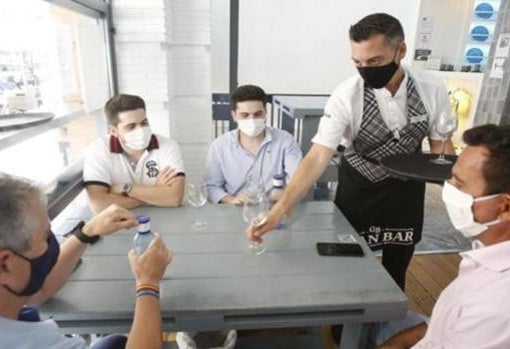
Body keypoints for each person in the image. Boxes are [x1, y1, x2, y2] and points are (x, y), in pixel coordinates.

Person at [248, 13, 455, 290]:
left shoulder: (431, 89)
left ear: (400, 50)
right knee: (349, 261)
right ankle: (342, 325)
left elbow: (442, 147)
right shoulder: (346, 95)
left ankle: (387, 321)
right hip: (360, 186)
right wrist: (280, 209)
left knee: (398, 264)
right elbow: (318, 156)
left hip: (406, 189)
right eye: (357, 62)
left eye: (375, 61)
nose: (365, 69)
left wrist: (462, 197)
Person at [0, 175, 172, 349]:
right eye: (45, 236)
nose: (53, 242)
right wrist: (148, 283)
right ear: (5, 265)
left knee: (115, 342)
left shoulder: (9, 298)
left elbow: (39, 293)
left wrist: (86, 232)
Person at [377, 124, 510, 348]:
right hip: (438, 333)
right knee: (374, 320)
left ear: (505, 207)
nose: (448, 190)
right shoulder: (488, 247)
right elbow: (442, 327)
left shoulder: (496, 307)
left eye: (459, 185)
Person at [83, 94, 185, 213]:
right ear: (113, 131)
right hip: (118, 223)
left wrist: (125, 189)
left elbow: (174, 197)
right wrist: (155, 192)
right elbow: (98, 204)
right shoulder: (99, 149)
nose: (140, 130)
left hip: (164, 217)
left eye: (144, 123)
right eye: (131, 126)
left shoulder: (168, 146)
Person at [204, 85, 302, 205]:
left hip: (274, 209)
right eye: (245, 115)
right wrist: (232, 200)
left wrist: (284, 196)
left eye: (258, 114)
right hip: (235, 209)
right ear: (234, 115)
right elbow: (211, 186)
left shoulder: (285, 141)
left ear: (265, 112)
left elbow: (298, 181)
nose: (252, 120)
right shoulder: (219, 146)